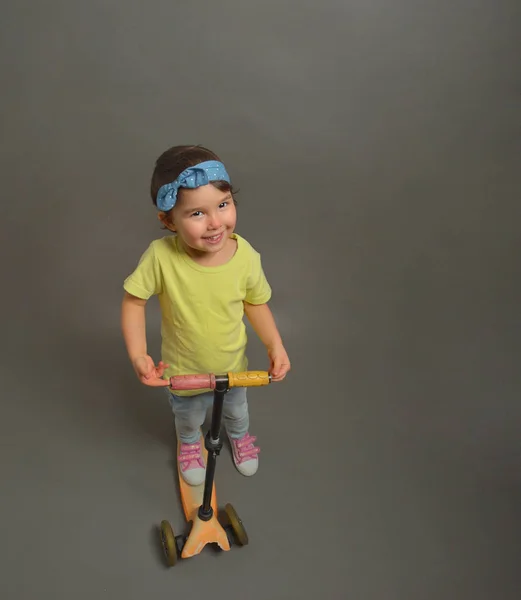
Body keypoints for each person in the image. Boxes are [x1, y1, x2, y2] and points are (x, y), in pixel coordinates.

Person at [121, 145, 291, 486]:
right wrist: (139, 355)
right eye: (197, 214)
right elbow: (133, 302)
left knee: (237, 411)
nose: (215, 223)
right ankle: (188, 444)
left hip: (233, 368)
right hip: (184, 372)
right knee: (189, 418)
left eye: (223, 205)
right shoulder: (160, 257)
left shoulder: (246, 257)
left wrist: (275, 345)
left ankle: (239, 438)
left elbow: (255, 304)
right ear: (168, 220)